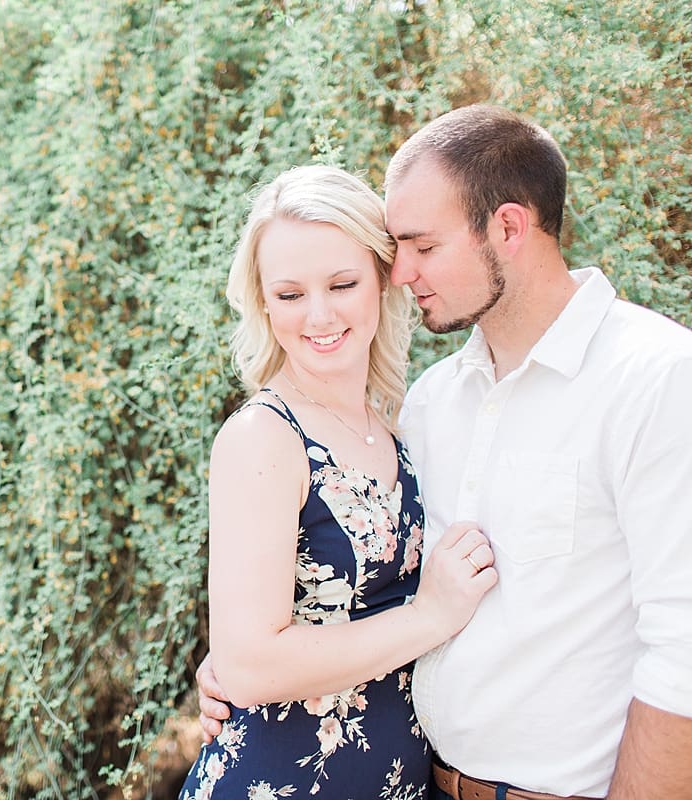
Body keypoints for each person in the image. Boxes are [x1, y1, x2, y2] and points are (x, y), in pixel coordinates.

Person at [195, 105, 692, 799]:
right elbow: (359, 603)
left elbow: (684, 648)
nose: (402, 273)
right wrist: (243, 662)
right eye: (396, 250)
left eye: (421, 248)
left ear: (509, 228)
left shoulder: (655, 375)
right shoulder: (433, 404)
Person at [177, 164, 498, 799]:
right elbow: (248, 665)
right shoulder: (264, 438)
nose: (318, 315)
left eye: (342, 283)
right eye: (290, 294)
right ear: (263, 302)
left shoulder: (404, 423)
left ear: (385, 278)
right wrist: (431, 613)